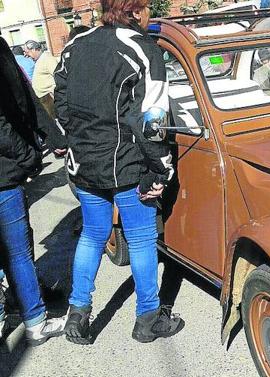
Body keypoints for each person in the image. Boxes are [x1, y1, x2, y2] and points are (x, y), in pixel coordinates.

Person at [55, 0, 184, 345]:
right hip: (128, 163)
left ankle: (77, 315)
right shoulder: (145, 50)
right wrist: (160, 170)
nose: (150, 15)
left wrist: (78, 144)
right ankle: (148, 319)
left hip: (84, 163)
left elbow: (61, 103)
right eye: (146, 8)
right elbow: (153, 121)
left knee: (93, 235)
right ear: (136, 11)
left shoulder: (74, 45)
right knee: (141, 239)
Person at [0, 33, 65, 345]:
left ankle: (23, 304)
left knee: (16, 254)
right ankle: (35, 321)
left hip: (7, 170)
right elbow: (14, 107)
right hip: (4, 174)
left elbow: (25, 96)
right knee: (17, 253)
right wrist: (26, 155)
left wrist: (50, 136)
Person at [23, 40, 58, 118]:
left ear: (34, 49)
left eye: (27, 52)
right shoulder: (40, 60)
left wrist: (55, 95)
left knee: (54, 122)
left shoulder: (47, 58)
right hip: (44, 98)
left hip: (49, 97)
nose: (26, 55)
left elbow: (57, 76)